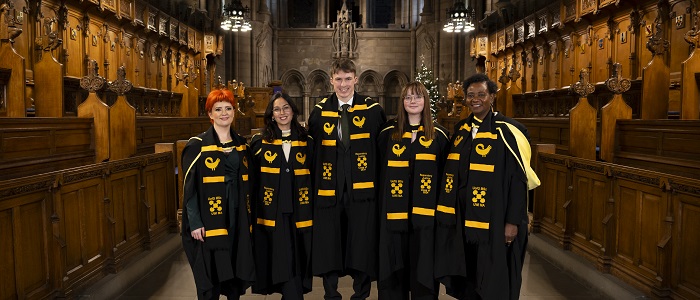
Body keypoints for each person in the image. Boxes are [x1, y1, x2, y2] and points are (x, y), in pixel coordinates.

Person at [434, 73, 540, 300]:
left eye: (481, 94)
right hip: (464, 219)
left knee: (494, 278)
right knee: (469, 274)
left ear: (492, 96)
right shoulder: (461, 130)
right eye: (470, 95)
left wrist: (512, 221)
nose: (475, 99)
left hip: (496, 218)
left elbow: (518, 181)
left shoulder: (510, 131)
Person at [308, 58, 386, 299]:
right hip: (329, 190)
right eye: (339, 79)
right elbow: (311, 153)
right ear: (331, 80)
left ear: (356, 79)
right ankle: (331, 294)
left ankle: (360, 294)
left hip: (362, 191)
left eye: (348, 79)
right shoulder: (319, 112)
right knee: (329, 242)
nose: (343, 84)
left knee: (361, 242)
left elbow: (382, 151)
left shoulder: (372, 111)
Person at [377, 81, 450, 300]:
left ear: (425, 101)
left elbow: (447, 175)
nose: (412, 101)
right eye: (408, 97)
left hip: (426, 217)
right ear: (402, 102)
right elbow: (379, 171)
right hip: (393, 214)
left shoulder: (440, 135)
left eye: (417, 96)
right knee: (394, 267)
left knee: (423, 267)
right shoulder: (388, 133)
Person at [181, 88, 255, 300]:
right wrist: (194, 222)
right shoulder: (197, 146)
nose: (224, 113)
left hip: (237, 217)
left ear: (234, 111)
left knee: (234, 268)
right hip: (208, 219)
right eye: (218, 109)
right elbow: (189, 189)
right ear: (210, 114)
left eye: (228, 108)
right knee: (210, 274)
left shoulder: (242, 144)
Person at [250, 93, 314, 299]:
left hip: (301, 208)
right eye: (277, 109)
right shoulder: (260, 142)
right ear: (271, 115)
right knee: (282, 254)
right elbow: (252, 178)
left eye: (286, 108)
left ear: (293, 111)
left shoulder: (306, 140)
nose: (282, 113)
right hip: (273, 209)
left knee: (298, 254)